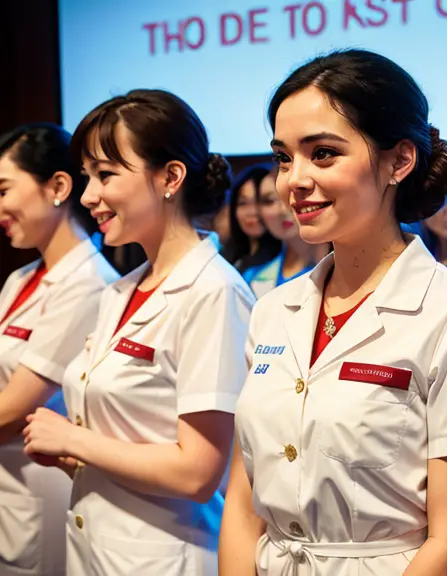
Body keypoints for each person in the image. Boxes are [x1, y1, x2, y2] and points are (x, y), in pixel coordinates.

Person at [220, 49, 447, 576]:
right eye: (284, 158)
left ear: (399, 161)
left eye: (324, 154)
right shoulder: (272, 312)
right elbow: (244, 505)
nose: (293, 180)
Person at [22, 90, 255, 575]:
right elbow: (132, 437)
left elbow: (197, 473)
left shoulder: (213, 292)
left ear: (170, 177)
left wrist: (73, 441)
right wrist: (73, 455)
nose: (88, 197)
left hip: (167, 557)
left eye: (106, 175)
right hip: (97, 551)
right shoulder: (123, 290)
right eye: (88, 177)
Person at [0, 123, 118, 576]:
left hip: (40, 490)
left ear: (58, 187)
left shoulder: (88, 285)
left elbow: (13, 409)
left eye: (5, 189)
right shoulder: (20, 278)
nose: (1, 207)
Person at [241, 165, 327, 298]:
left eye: (292, 194)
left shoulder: (341, 270)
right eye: (269, 201)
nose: (282, 209)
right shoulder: (253, 279)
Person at [221, 165, 281, 273]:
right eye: (243, 203)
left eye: (264, 202)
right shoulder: (224, 258)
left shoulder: (281, 264)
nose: (252, 212)